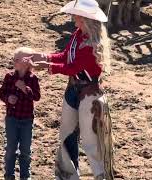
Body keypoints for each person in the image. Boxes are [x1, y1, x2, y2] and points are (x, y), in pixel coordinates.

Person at [29, 0, 114, 179]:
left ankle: (100, 175)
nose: (74, 19)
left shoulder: (92, 45)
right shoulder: (78, 35)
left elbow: (72, 67)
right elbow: (66, 56)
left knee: (90, 141)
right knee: (66, 134)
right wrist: (46, 57)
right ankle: (69, 174)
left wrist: (47, 65)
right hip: (75, 90)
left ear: (85, 19)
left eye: (77, 17)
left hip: (88, 96)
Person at [0, 47, 41, 180]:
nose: (14, 61)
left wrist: (25, 89)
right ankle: (9, 175)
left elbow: (36, 97)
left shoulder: (33, 79)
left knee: (25, 150)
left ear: (26, 62)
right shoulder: (9, 76)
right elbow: (2, 93)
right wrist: (8, 99)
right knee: (10, 149)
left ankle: (25, 176)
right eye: (14, 59)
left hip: (26, 120)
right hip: (11, 118)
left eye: (17, 59)